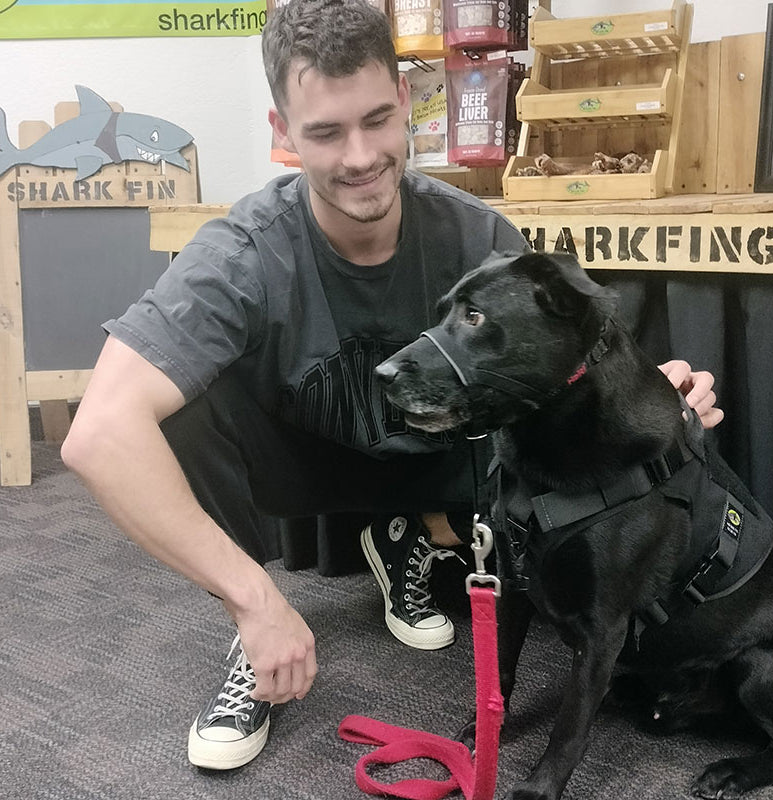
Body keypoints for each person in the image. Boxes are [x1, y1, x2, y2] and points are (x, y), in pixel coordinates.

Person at [61, 0, 724, 775]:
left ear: (408, 104)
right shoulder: (241, 252)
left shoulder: (478, 238)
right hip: (303, 459)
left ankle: (418, 536)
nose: (360, 155)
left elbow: (572, 374)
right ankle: (252, 638)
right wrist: (254, 598)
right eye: (325, 132)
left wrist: (657, 404)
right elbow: (97, 433)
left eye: (378, 120)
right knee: (170, 411)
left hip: (441, 461)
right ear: (282, 134)